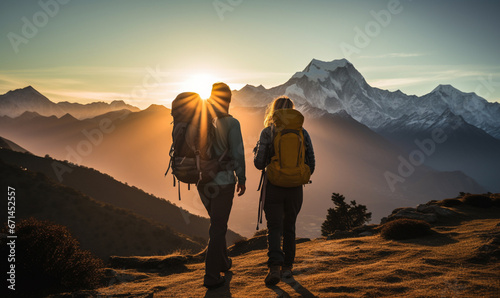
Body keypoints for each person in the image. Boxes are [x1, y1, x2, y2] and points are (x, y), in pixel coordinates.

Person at [253, 96, 315, 285]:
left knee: (274, 228)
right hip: (295, 188)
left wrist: (260, 153)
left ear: (274, 111)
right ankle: (288, 269)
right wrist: (296, 174)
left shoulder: (267, 132)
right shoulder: (302, 132)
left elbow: (258, 163)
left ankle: (274, 269)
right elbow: (311, 163)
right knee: (290, 227)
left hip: (273, 186)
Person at [197, 82, 246, 289]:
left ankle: (224, 262)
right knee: (218, 227)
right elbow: (237, 153)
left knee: (217, 224)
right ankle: (211, 276)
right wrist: (241, 179)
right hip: (223, 183)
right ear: (228, 100)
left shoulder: (201, 121)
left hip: (202, 183)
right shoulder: (232, 123)